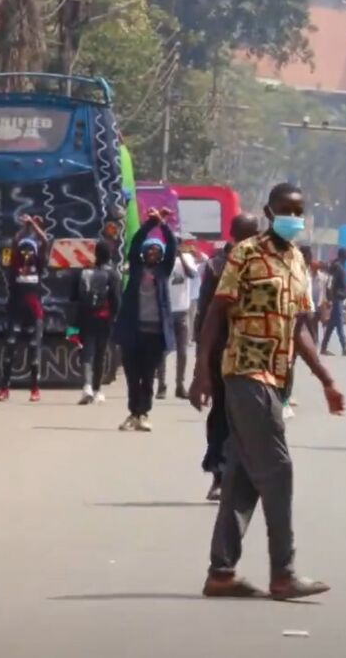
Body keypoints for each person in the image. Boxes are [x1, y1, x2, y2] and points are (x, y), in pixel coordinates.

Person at [189, 183, 342, 601]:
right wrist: (202, 371)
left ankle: (221, 573)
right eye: (286, 209)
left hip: (277, 380)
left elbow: (300, 328)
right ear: (270, 211)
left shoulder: (297, 260)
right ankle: (284, 573)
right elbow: (216, 314)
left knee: (242, 478)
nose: (294, 215)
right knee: (278, 470)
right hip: (245, 372)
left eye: (300, 209)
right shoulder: (246, 253)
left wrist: (325, 379)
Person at [194, 213, 262, 502]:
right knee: (222, 412)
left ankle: (247, 475)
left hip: (255, 352)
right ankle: (219, 475)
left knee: (253, 416)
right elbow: (206, 316)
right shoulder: (216, 267)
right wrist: (203, 365)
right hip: (223, 350)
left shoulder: (265, 266)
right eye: (248, 234)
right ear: (236, 235)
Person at [114, 210, 178, 430]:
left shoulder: (163, 271)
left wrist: (164, 226)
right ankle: (133, 413)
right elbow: (136, 242)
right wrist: (151, 223)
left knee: (148, 377)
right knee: (132, 377)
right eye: (149, 249)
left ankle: (144, 414)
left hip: (154, 335)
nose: (152, 252)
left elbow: (172, 248)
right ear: (143, 253)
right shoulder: (136, 269)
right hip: (133, 333)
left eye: (156, 250)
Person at [0, 215, 51, 402]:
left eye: (30, 250)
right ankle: (4, 388)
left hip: (34, 314)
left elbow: (45, 241)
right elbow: (14, 241)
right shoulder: (15, 266)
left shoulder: (39, 264)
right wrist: (24, 228)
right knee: (10, 345)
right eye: (23, 250)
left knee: (34, 350)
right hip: (16, 313)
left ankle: (34, 388)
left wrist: (34, 225)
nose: (27, 253)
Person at [72, 242, 122, 405]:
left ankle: (86, 387)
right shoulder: (113, 275)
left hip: (86, 318)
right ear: (110, 254)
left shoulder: (85, 272)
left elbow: (73, 297)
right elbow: (116, 300)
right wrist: (114, 317)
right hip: (104, 320)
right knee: (100, 354)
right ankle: (97, 390)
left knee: (87, 353)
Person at [157, 245, 200, 400]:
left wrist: (181, 256)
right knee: (162, 351)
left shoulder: (186, 258)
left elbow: (192, 274)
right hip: (166, 311)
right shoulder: (162, 260)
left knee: (182, 352)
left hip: (182, 311)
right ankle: (161, 386)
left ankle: (180, 385)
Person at [320, 249, 346, 356]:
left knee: (331, 325)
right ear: (345, 256)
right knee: (339, 323)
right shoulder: (339, 268)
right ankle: (345, 346)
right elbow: (342, 285)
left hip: (336, 298)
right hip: (337, 299)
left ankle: (323, 347)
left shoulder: (337, 266)